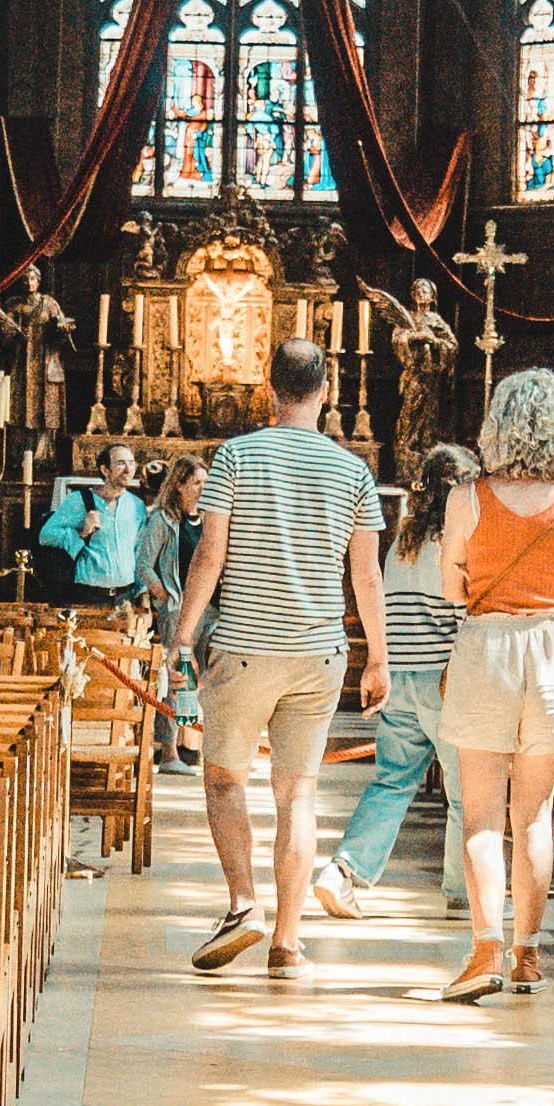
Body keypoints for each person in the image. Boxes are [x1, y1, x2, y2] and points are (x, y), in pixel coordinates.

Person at [167, 335, 388, 979]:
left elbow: (210, 556)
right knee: (298, 794)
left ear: (269, 389)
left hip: (243, 646)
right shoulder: (354, 473)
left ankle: (244, 905)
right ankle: (287, 943)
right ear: (327, 391)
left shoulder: (236, 456)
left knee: (224, 778)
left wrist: (182, 636)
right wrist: (378, 658)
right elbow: (367, 575)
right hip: (319, 653)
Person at [436, 368, 554, 1003]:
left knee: (481, 817)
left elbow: (454, 590)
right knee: (534, 816)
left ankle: (485, 953)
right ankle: (529, 955)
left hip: (488, 647)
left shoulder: (468, 498)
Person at [315, 441, 476, 921]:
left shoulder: (403, 540)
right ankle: (464, 893)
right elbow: (460, 613)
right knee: (468, 793)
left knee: (391, 783)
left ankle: (343, 871)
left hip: (400, 675)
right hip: (441, 679)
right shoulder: (453, 541)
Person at [141, 458, 208, 767]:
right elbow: (143, 564)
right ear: (179, 485)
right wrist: (163, 594)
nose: (203, 489)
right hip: (177, 609)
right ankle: (167, 750)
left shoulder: (208, 519)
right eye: (196, 482)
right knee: (176, 680)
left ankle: (188, 744)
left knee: (197, 682)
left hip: (207, 610)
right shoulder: (162, 520)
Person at [40, 444, 145, 600]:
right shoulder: (79, 500)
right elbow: (46, 535)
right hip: (89, 595)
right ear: (105, 470)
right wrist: (81, 532)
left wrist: (143, 594)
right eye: (121, 463)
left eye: (131, 463)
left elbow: (140, 552)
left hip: (126, 597)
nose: (128, 470)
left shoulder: (136, 505)